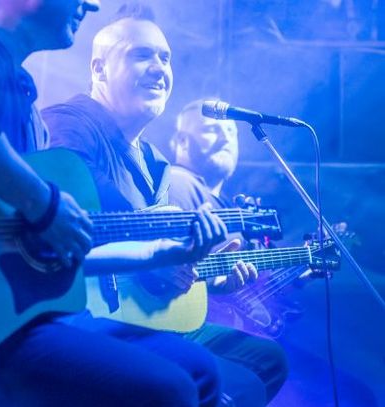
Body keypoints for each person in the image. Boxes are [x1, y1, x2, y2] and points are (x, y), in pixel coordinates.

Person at [0, 0, 225, 406]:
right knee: (170, 389)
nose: (92, 5)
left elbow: (42, 252)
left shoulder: (23, 100)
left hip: (19, 316)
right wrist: (43, 203)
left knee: (200, 370)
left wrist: (154, 254)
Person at [41, 4, 281, 407]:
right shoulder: (71, 124)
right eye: (141, 55)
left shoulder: (156, 163)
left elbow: (160, 274)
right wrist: (161, 252)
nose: (159, 69)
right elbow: (75, 221)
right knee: (215, 381)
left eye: (165, 58)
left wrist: (209, 276)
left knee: (267, 361)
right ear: (99, 69)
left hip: (142, 317)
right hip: (83, 319)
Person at [169, 98, 289, 405]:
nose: (225, 137)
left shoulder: (224, 204)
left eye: (232, 132)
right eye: (212, 129)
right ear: (181, 141)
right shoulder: (179, 184)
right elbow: (176, 278)